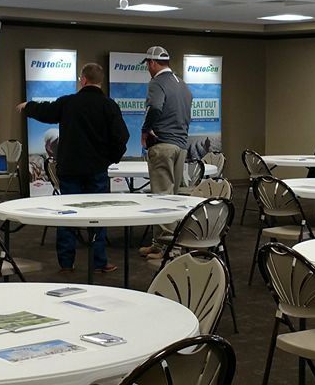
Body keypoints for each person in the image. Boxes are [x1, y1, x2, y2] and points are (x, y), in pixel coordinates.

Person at [18, 63, 128, 274]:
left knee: (67, 215)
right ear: (100, 81)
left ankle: (66, 264)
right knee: (98, 216)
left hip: (69, 171)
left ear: (83, 80)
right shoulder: (109, 105)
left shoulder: (69, 102)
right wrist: (110, 159)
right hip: (96, 171)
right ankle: (99, 262)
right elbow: (122, 137)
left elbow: (46, 112)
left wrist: (27, 106)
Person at [138, 45, 193, 259]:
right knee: (171, 196)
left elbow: (155, 107)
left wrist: (145, 131)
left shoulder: (157, 83)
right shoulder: (182, 85)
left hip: (162, 145)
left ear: (152, 63)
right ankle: (157, 242)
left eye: (147, 65)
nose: (148, 70)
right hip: (180, 146)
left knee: (161, 197)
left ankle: (168, 247)